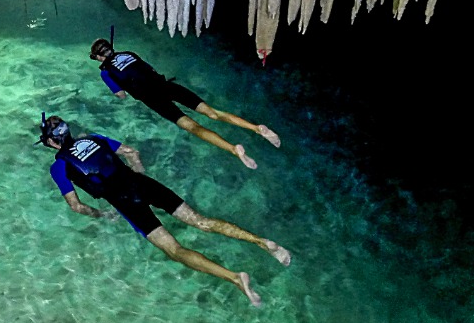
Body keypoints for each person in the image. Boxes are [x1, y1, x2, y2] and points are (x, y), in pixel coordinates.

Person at [38, 115, 290, 306]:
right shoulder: (93, 137)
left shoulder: (59, 167)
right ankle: (261, 242)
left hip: (126, 202)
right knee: (201, 221)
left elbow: (76, 205)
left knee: (175, 250)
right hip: (142, 184)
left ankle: (235, 278)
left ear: (51, 141)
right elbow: (131, 152)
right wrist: (139, 174)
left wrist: (103, 215)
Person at [88, 38, 280, 169]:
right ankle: (257, 128)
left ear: (99, 56)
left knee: (193, 127)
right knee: (213, 113)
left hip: (155, 100)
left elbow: (121, 95)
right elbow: (148, 69)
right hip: (167, 86)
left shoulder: (106, 72)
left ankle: (233, 150)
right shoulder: (130, 54)